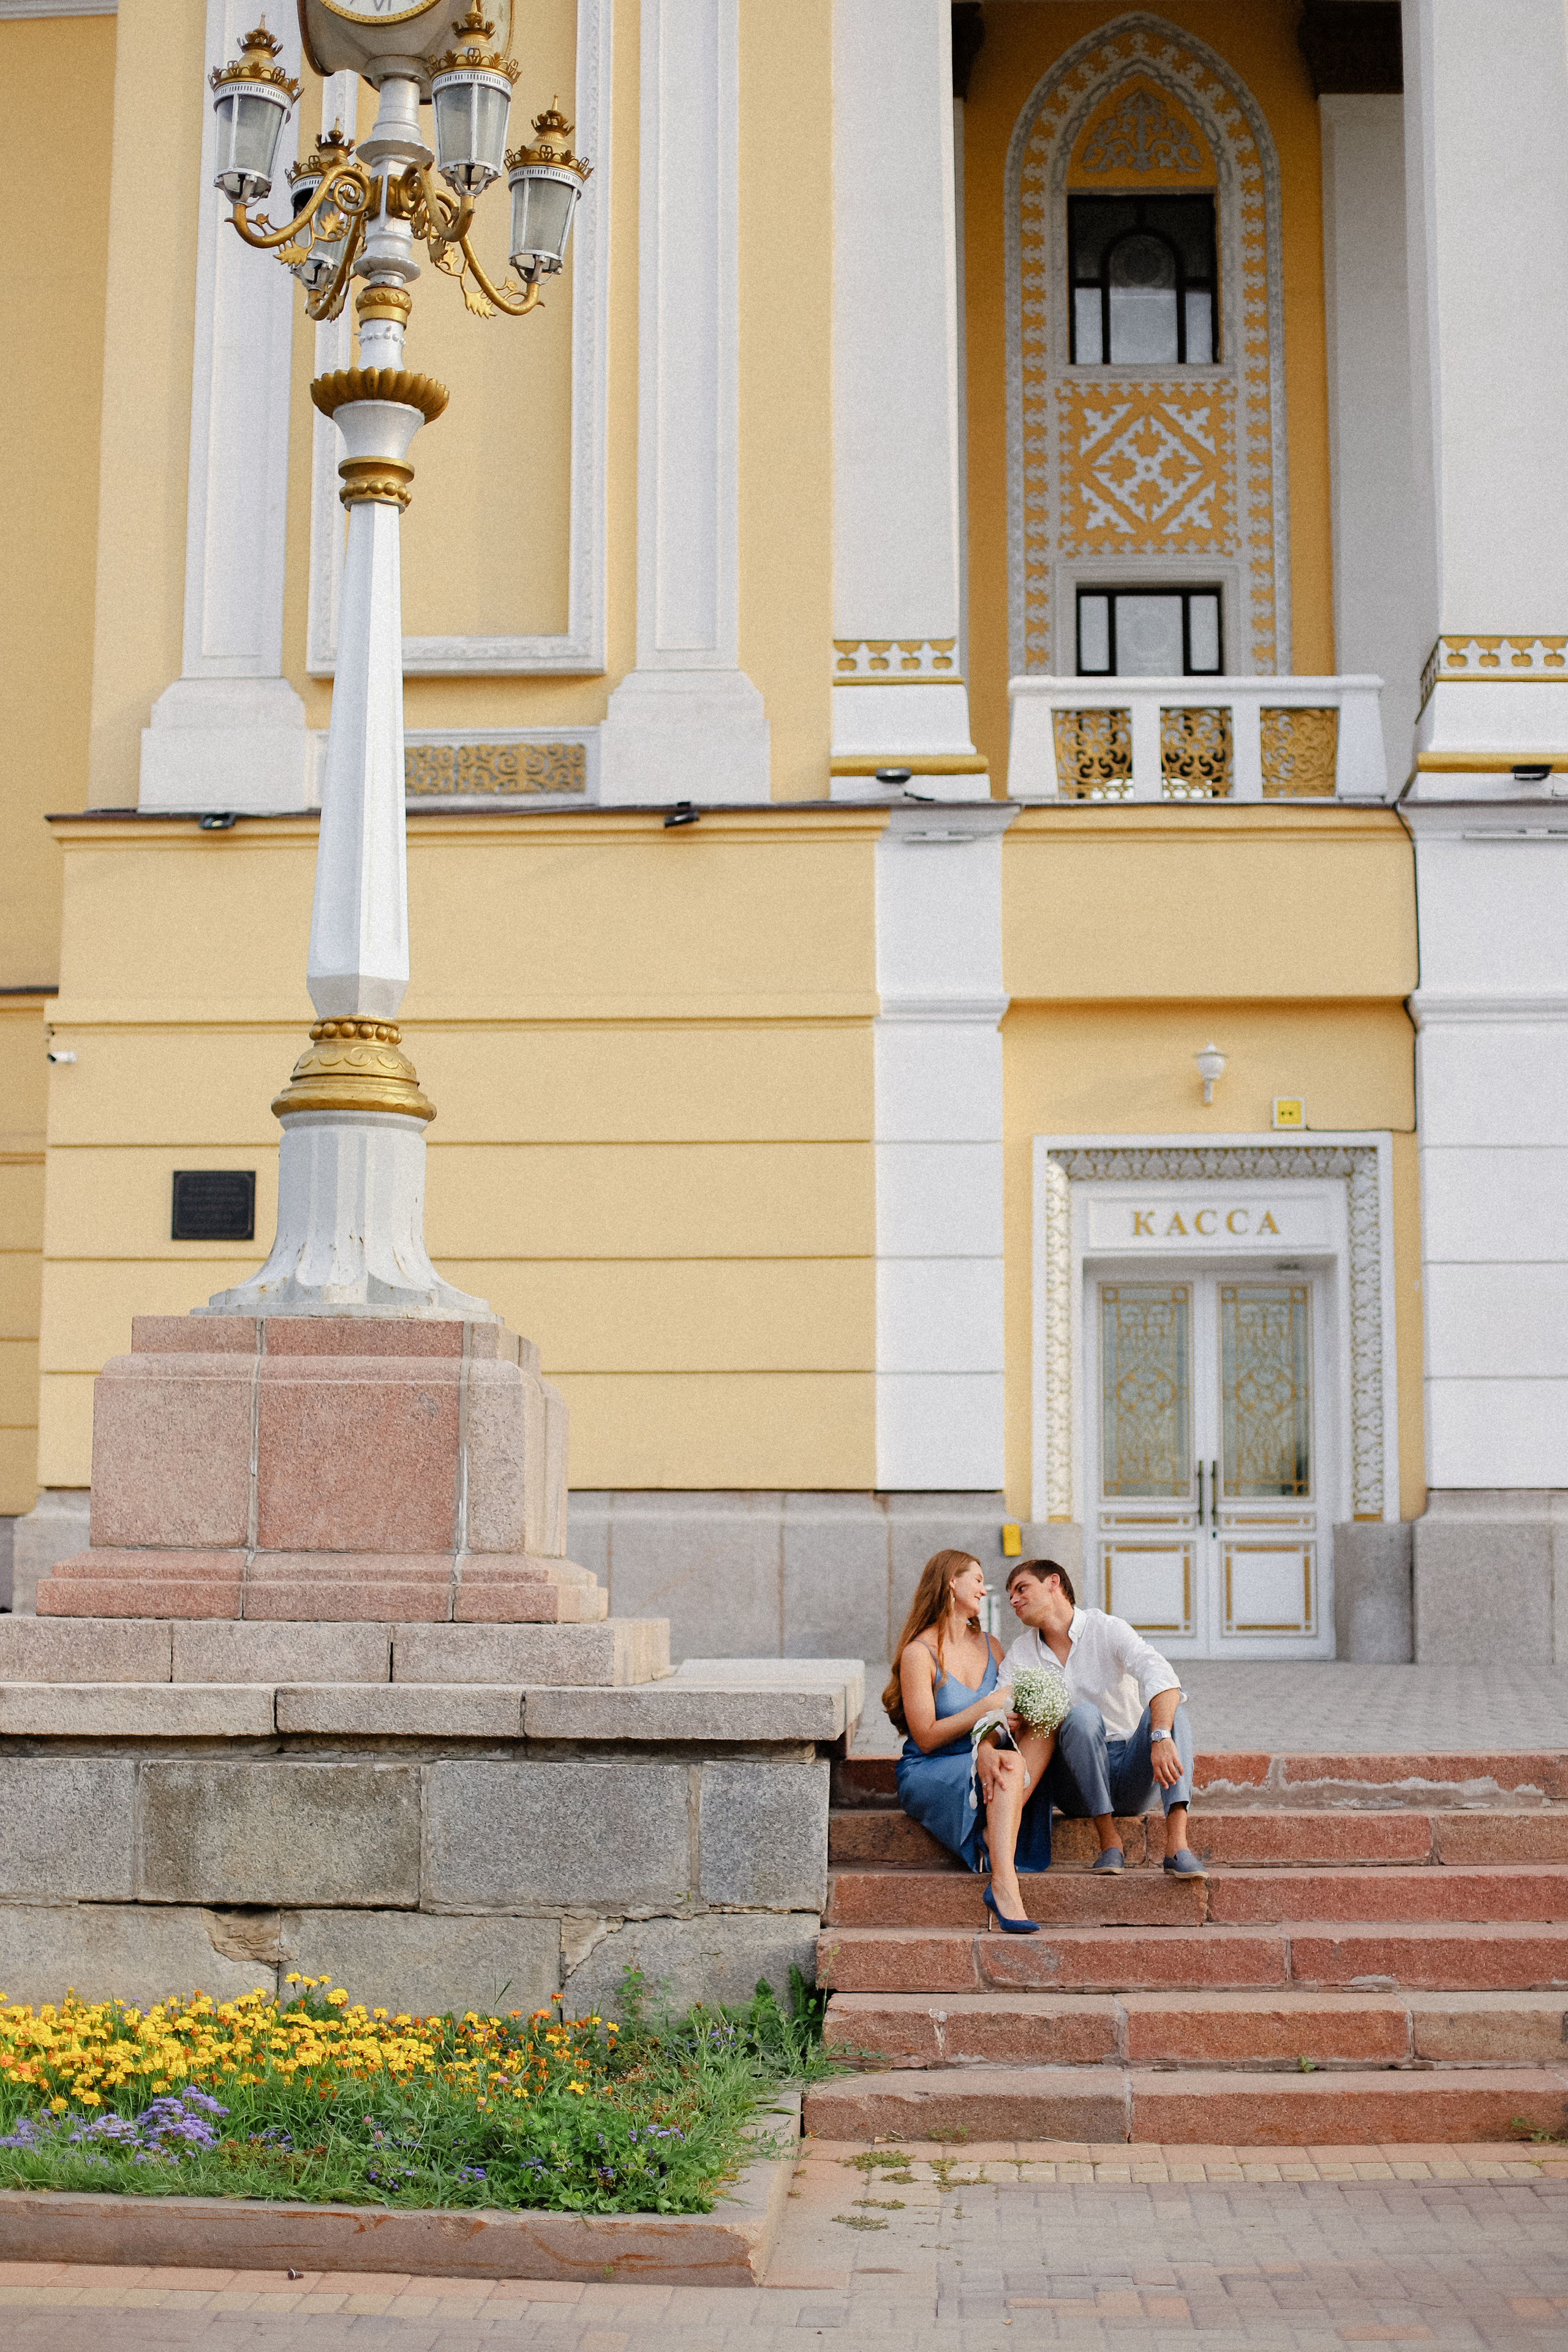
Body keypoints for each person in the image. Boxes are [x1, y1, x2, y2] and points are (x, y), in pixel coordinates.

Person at [998, 1558, 1207, 1877]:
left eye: (1021, 1589)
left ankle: (1177, 1846)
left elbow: (1161, 1674)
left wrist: (1161, 1735)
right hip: (1075, 1785)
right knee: (1083, 1716)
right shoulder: (1021, 1652)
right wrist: (1009, 1720)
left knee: (1171, 1707)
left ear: (1053, 1583)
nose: (1013, 1600)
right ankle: (1110, 1843)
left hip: (1133, 1773)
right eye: (1010, 1595)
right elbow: (998, 1706)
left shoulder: (1107, 1628)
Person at [883, 1548, 1055, 1934]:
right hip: (931, 1767)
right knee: (1008, 1766)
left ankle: (994, 1840)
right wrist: (985, 1708)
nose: (982, 1589)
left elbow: (1003, 1719)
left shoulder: (993, 1646)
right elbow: (926, 1737)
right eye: (977, 1579)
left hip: (985, 1755)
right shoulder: (919, 1654)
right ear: (951, 1582)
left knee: (1032, 1741)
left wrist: (992, 1740)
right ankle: (1005, 1884)